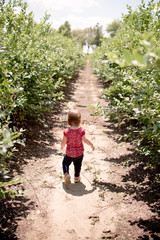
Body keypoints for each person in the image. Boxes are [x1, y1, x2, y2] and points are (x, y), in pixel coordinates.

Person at [61, 109, 95, 186]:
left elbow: (64, 141)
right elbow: (85, 140)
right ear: (80, 121)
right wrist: (91, 144)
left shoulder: (66, 131)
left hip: (69, 153)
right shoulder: (81, 131)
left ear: (68, 121)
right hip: (79, 154)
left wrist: (62, 146)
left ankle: (66, 174)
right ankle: (76, 178)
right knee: (78, 165)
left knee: (65, 163)